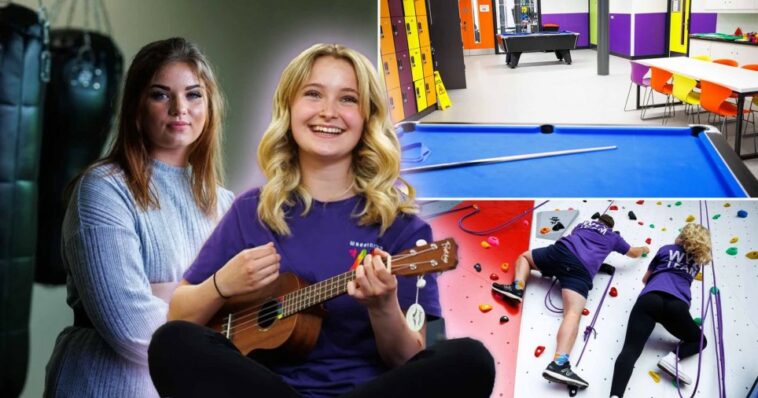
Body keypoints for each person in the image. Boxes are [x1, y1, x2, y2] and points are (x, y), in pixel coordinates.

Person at [147, 43, 495, 398]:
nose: (328, 112)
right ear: (289, 108)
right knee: (171, 342)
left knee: (471, 359)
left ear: (367, 118)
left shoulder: (403, 228)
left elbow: (411, 359)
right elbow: (180, 316)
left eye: (348, 99)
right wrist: (222, 282)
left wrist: (383, 306)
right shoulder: (252, 210)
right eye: (313, 94)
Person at [44, 38, 234, 397]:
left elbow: (244, 320)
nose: (180, 108)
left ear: (209, 105)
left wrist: (164, 293)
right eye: (161, 95)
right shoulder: (102, 190)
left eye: (194, 95)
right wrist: (213, 294)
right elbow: (132, 329)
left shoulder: (223, 204)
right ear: (136, 106)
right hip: (104, 385)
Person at [492, 214, 650, 389]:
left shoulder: (583, 225)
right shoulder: (613, 237)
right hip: (580, 270)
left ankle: (517, 287)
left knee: (525, 258)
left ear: (597, 222)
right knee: (572, 314)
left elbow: (582, 242)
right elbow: (633, 253)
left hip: (560, 253)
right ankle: (559, 363)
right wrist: (644, 249)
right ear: (611, 227)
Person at [609, 223, 711, 397]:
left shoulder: (665, 249)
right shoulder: (696, 262)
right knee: (700, 341)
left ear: (682, 236)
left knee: (631, 349)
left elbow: (645, 279)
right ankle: (672, 358)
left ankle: (615, 395)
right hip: (677, 305)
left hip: (650, 299)